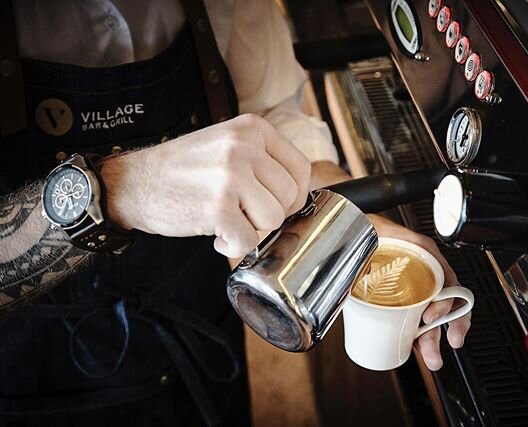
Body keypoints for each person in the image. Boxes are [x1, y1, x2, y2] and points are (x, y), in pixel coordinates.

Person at [0, 1, 471, 426]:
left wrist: (344, 225)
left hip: (201, 323)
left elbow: (272, 116)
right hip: (41, 376)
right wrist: (120, 190)